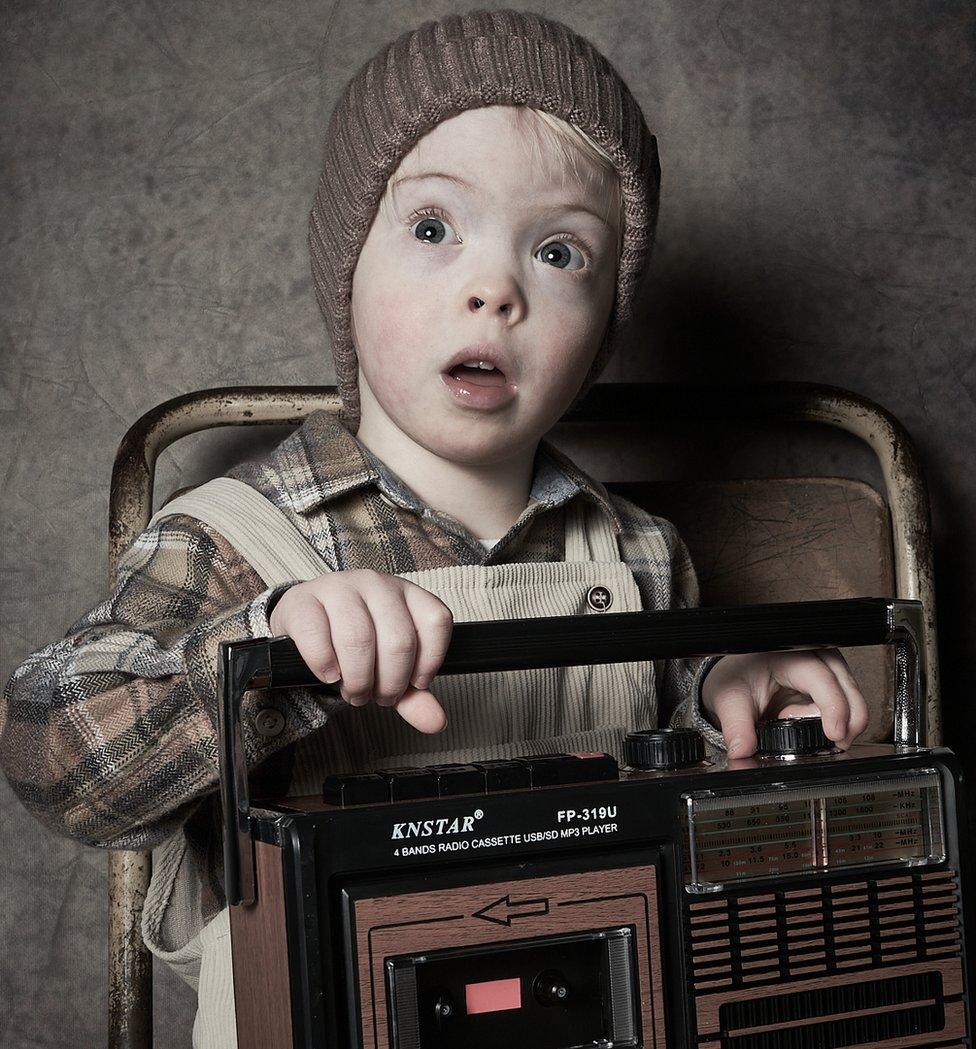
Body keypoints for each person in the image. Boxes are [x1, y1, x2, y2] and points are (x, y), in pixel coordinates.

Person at [0, 9, 869, 1047]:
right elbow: (51, 750)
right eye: (430, 229)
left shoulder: (635, 552)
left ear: (601, 332)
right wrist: (263, 648)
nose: (493, 288)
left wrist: (728, 685)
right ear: (345, 271)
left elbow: (670, 723)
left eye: (557, 252)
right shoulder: (235, 536)